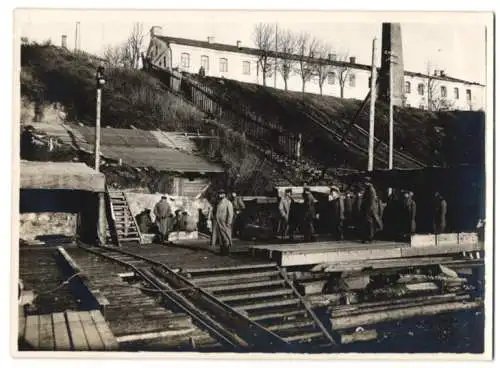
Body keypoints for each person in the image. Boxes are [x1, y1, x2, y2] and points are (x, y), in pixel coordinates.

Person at [211, 190, 234, 255]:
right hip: (219, 222)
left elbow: (230, 214)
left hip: (224, 222)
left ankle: (226, 252)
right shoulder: (219, 202)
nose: (220, 195)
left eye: (221, 194)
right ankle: (222, 251)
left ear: (224, 195)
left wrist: (228, 223)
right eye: (219, 194)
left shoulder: (228, 203)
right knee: (221, 237)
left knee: (226, 237)